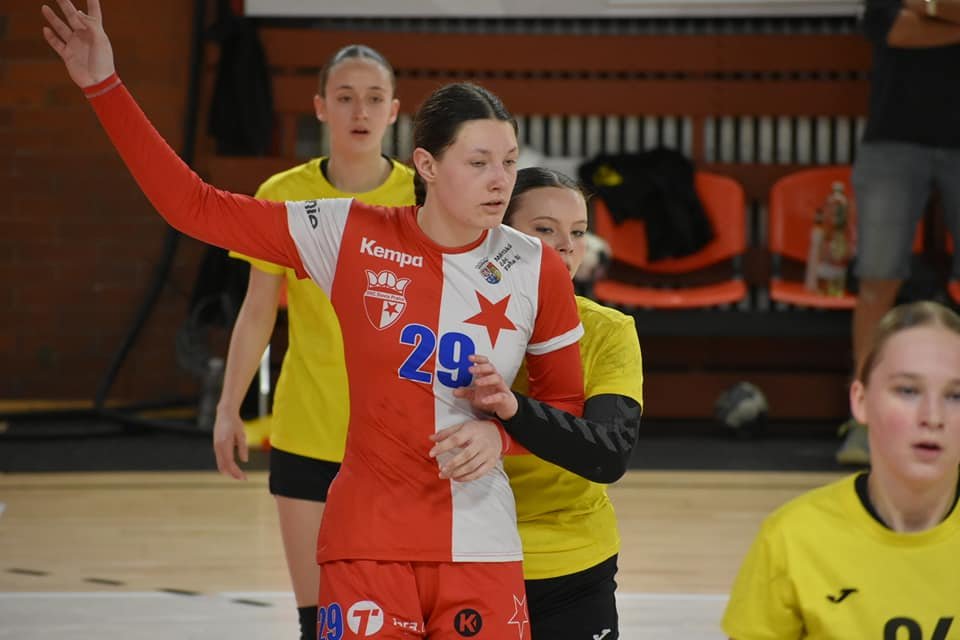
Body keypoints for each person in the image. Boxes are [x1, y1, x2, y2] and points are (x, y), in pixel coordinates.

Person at [42, 2, 586, 638]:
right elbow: (195, 207)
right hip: (367, 541)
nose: (501, 182)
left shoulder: (535, 266)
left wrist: (502, 437)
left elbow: (566, 407)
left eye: (510, 161)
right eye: (479, 162)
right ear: (428, 166)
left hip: (481, 543)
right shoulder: (345, 230)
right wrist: (103, 85)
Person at [212, 45, 414, 640]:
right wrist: (229, 408)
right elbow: (256, 312)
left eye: (374, 98)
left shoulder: (422, 197)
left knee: (397, 617)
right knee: (318, 620)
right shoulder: (283, 192)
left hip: (400, 439)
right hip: (308, 429)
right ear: (321, 107)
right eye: (345, 97)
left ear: (394, 110)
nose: (360, 111)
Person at [430, 168, 643, 640]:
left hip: (573, 566)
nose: (566, 247)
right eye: (545, 229)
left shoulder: (607, 331)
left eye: (579, 233)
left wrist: (511, 415)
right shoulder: (444, 320)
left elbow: (609, 453)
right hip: (462, 554)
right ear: (497, 236)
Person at [723, 300, 960, 638]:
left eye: (955, 396)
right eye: (908, 391)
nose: (932, 417)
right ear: (860, 401)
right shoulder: (792, 539)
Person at [837, 0, 960, 465]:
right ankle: (865, 420)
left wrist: (928, 8)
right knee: (877, 279)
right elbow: (895, 31)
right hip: (893, 137)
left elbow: (916, 23)